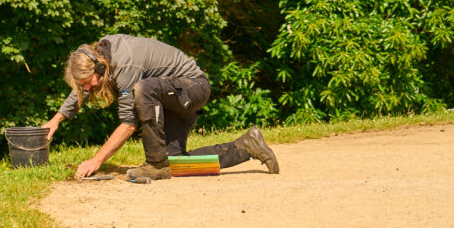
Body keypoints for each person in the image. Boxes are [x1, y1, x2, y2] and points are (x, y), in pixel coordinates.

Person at [42, 34, 280, 181]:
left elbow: (128, 124)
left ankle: (155, 165)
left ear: (99, 67)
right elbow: (82, 88)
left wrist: (96, 161)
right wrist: (56, 120)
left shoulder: (125, 65)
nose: (89, 87)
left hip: (193, 88)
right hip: (170, 96)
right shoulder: (100, 56)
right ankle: (246, 146)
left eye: (89, 81)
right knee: (174, 162)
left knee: (142, 89)